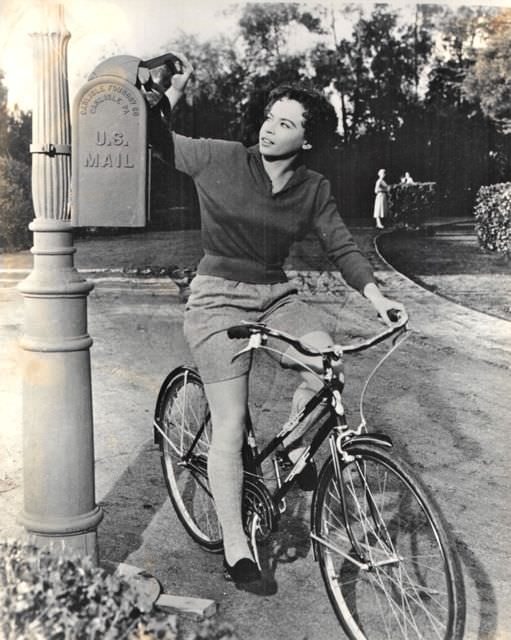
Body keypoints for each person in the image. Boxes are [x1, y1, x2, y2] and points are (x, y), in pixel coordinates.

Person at [154, 56, 407, 586]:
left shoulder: (313, 187)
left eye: (286, 122)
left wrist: (376, 295)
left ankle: (293, 444)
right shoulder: (219, 158)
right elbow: (156, 140)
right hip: (218, 299)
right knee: (230, 423)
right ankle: (235, 542)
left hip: (275, 294)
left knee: (326, 365)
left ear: (307, 141)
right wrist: (170, 95)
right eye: (270, 116)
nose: (270, 127)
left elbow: (341, 245)